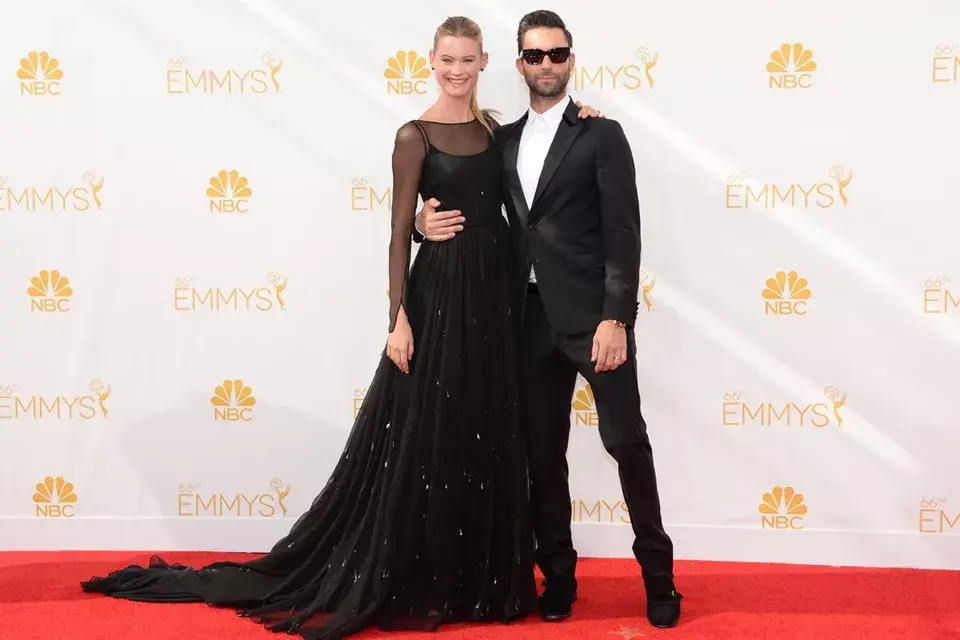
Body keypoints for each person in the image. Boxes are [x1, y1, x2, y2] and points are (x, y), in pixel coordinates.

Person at [80, 16, 604, 640]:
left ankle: (479, 578)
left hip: (497, 303)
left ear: (487, 61)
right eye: (448, 60)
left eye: (469, 60)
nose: (458, 71)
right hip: (438, 299)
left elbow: (541, 157)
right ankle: (424, 575)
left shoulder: (496, 130)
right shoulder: (413, 136)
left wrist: (581, 117)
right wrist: (398, 316)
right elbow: (396, 230)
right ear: (431, 61)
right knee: (428, 435)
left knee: (484, 432)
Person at [413, 9, 683, 630]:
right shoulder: (498, 140)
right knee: (541, 455)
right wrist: (427, 226)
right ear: (517, 64)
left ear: (570, 58)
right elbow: (466, 204)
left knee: (626, 442)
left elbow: (624, 231)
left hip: (594, 322)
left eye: (556, 54)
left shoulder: (601, 134)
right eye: (533, 56)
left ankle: (660, 577)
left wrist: (619, 318)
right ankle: (557, 576)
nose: (545, 65)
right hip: (526, 320)